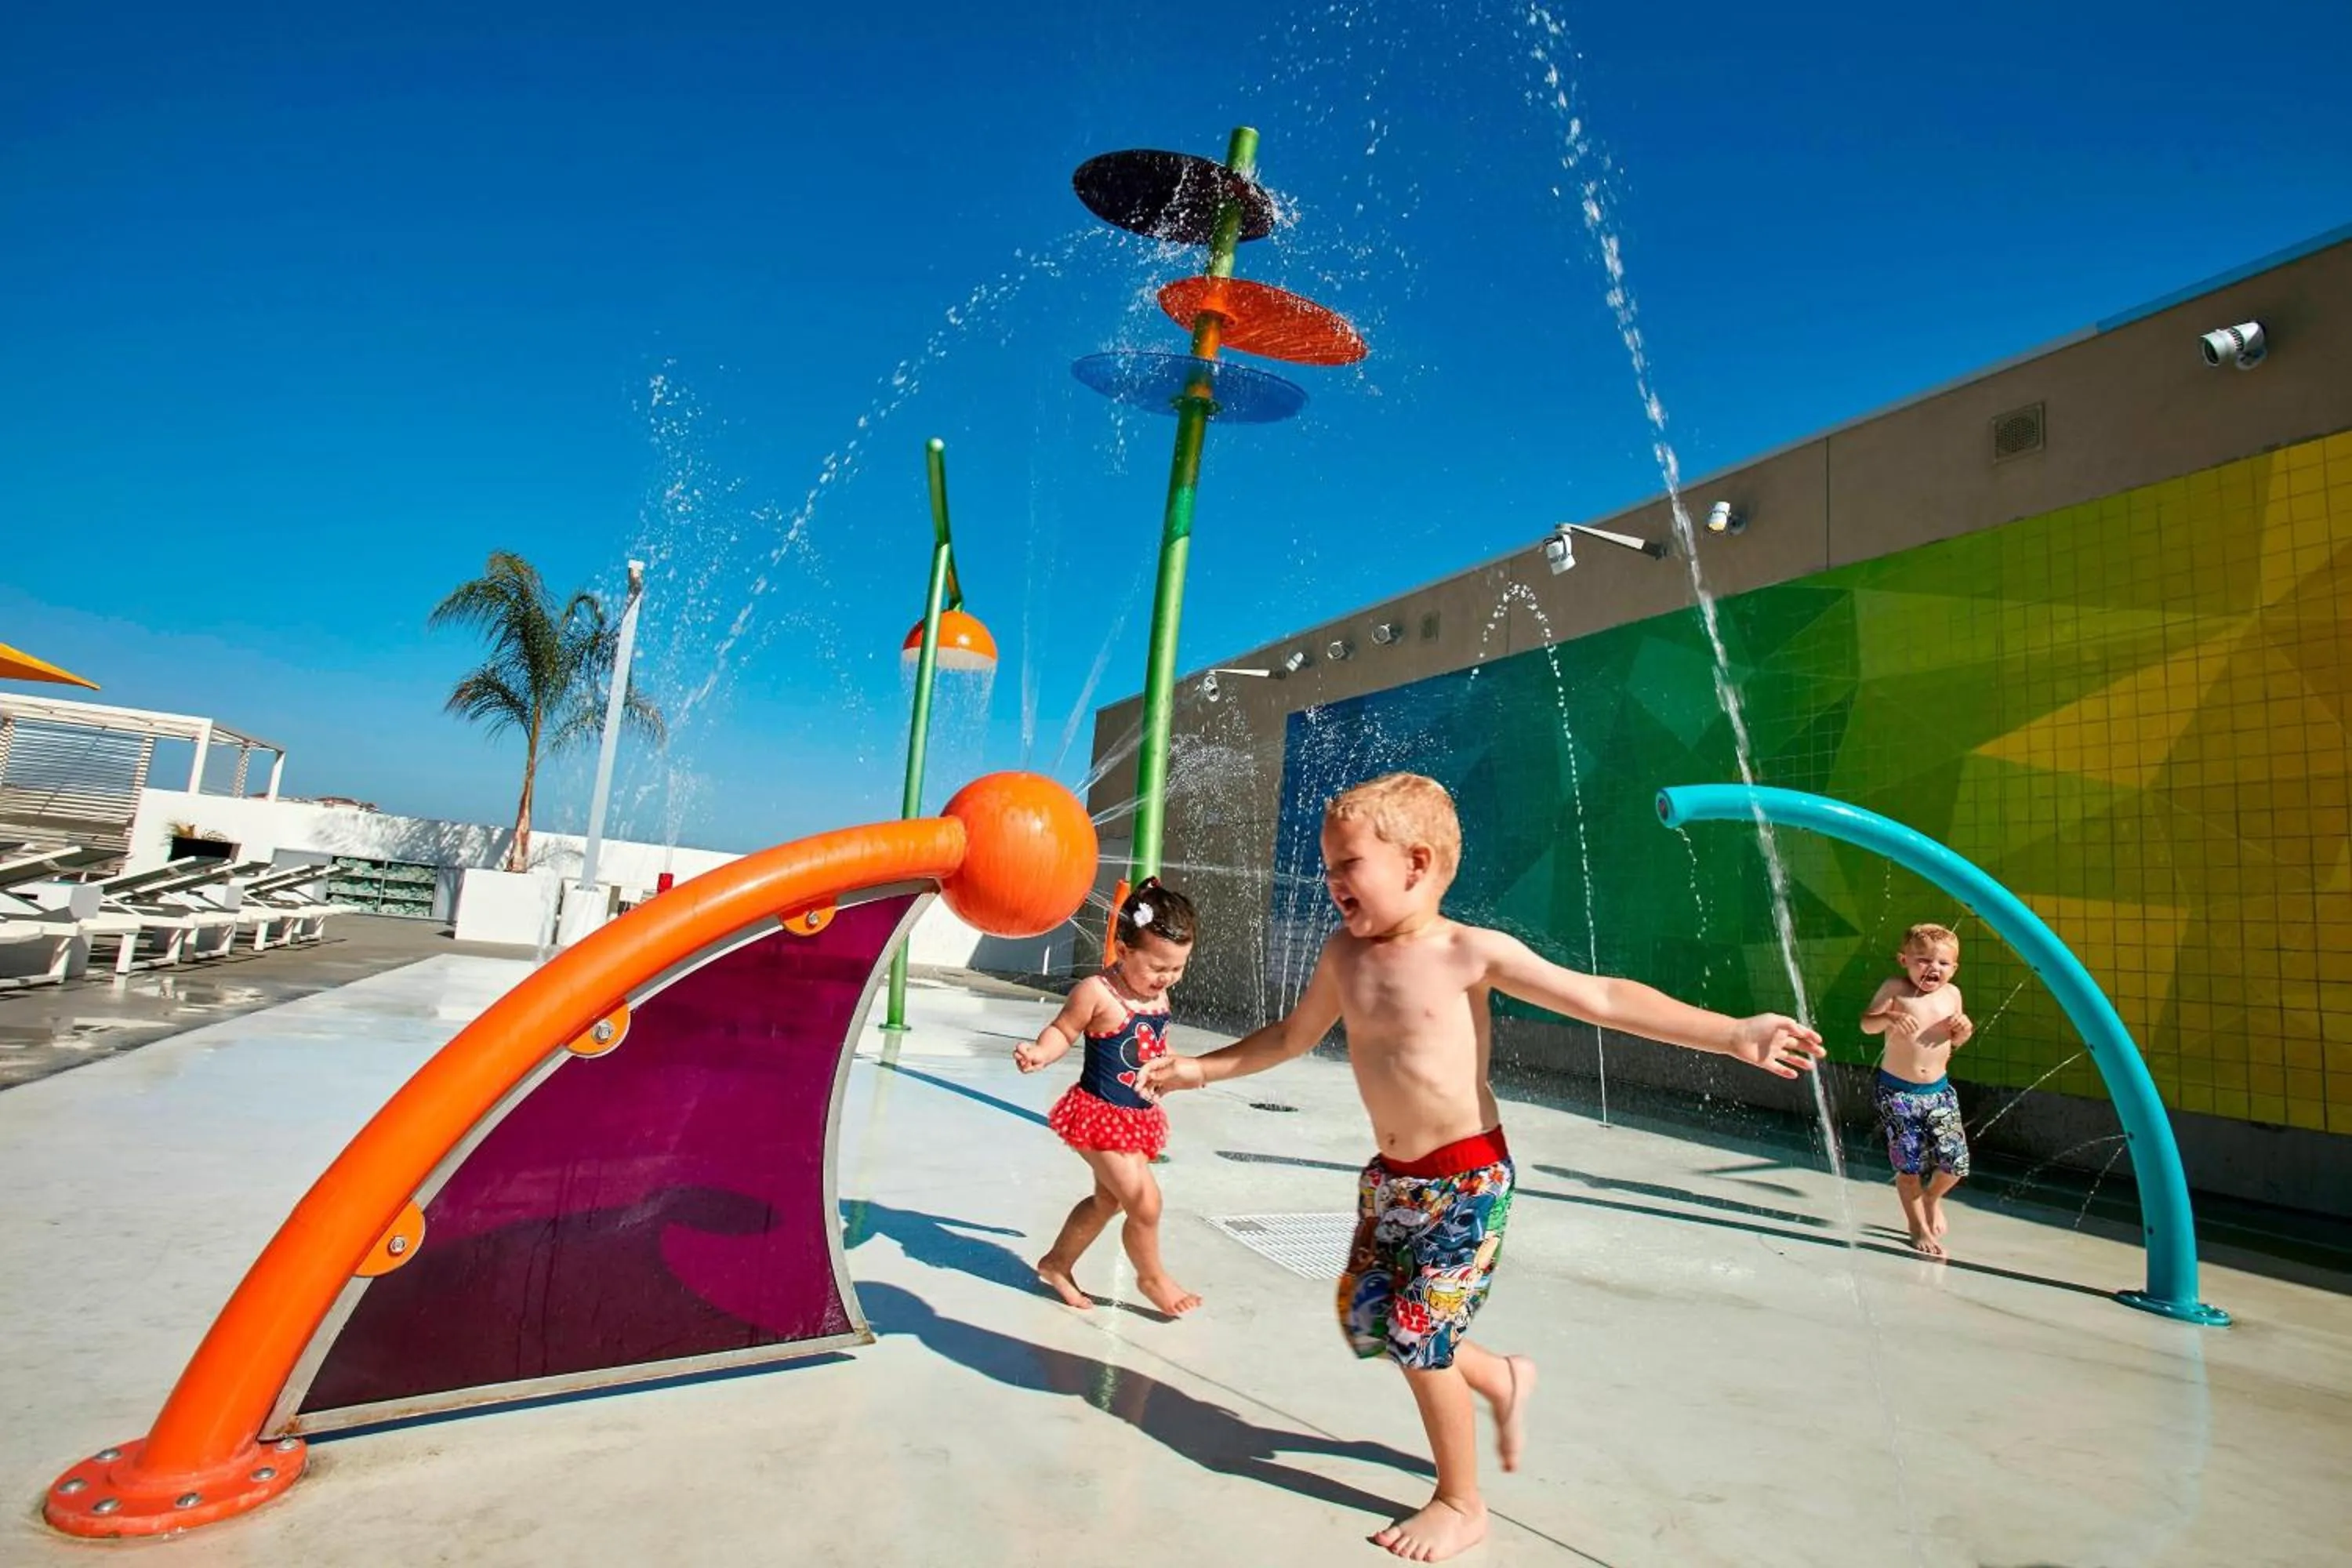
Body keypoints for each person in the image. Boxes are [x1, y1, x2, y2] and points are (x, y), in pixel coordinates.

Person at [1142, 773, 1824, 1562]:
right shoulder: (1342, 953)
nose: (1331, 881)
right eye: (1327, 865)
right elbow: (1292, 1035)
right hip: (1394, 1177)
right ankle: (1498, 1375)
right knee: (1369, 1316)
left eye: (1348, 864)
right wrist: (1199, 1069)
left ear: (1418, 863)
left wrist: (1733, 1031)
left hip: (1467, 1178)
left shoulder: (1469, 952)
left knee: (1415, 1332)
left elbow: (1600, 996)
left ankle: (1460, 1501)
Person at [1014, 877, 1203, 1317]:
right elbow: (1063, 1030)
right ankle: (1151, 1278)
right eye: (1158, 967)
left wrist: (1178, 1069)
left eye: (1177, 968)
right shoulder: (1097, 992)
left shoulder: (1158, 996)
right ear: (1123, 950)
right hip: (1098, 1117)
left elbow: (1155, 1046)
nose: (1167, 978)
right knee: (1145, 1202)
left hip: (1135, 1116)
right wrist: (1041, 1052)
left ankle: (1057, 1264)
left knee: (1109, 1200)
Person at [1860, 923, 1975, 1258]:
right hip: (1897, 1093)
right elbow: (1867, 1023)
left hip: (1938, 1092)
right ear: (1904, 960)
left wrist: (1963, 1030)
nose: (1932, 968)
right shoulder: (1895, 989)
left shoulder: (1952, 995)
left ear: (1954, 968)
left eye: (1942, 963)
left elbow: (1955, 1041)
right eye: (1923, 960)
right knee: (1907, 1167)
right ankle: (1916, 1225)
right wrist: (1889, 1018)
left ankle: (1932, 1198)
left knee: (1956, 1164)